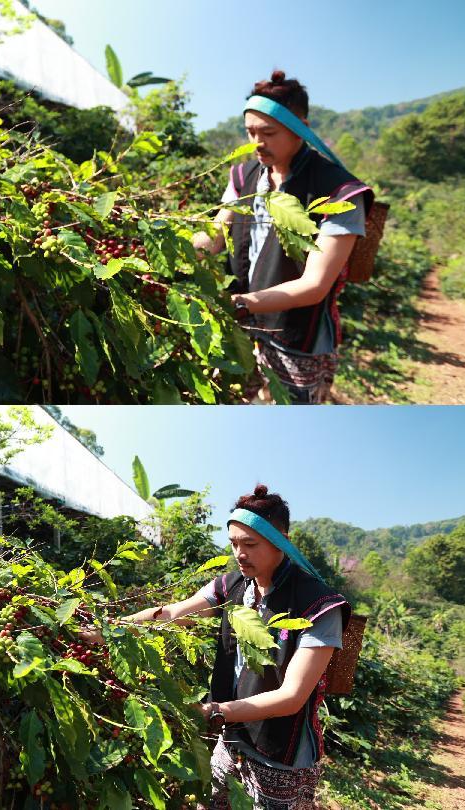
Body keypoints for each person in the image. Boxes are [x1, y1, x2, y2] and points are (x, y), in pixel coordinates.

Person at [87, 485, 349, 809]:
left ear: (282, 542)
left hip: (280, 755)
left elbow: (292, 697)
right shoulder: (232, 587)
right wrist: (109, 631)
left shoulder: (318, 605)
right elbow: (172, 614)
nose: (240, 553)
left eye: (250, 544)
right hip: (232, 738)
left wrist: (215, 712)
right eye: (234, 543)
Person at [192, 71, 373, 404]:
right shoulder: (244, 175)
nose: (256, 143)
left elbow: (314, 285)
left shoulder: (339, 190)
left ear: (300, 128)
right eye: (250, 132)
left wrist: (240, 304)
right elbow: (214, 238)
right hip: (241, 326)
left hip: (295, 334)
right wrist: (169, 253)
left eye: (268, 133)